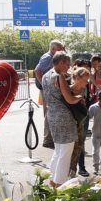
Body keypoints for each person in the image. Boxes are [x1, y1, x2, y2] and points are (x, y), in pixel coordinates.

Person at [42, 51, 81, 186]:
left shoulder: (45, 76)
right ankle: (59, 184)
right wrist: (80, 97)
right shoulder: (59, 77)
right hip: (64, 118)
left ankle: (52, 179)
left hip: (51, 116)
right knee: (65, 152)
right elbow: (69, 99)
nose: (68, 66)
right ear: (61, 62)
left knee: (58, 150)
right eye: (67, 64)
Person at [35, 39, 65, 148]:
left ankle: (51, 137)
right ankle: (48, 139)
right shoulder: (47, 57)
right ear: (53, 49)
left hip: (51, 89)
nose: (62, 52)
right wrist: (44, 85)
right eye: (60, 49)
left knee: (51, 112)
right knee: (49, 113)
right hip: (47, 89)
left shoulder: (53, 57)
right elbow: (37, 70)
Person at [69, 66, 91, 178]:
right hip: (71, 122)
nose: (87, 82)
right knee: (70, 148)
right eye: (85, 80)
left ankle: (79, 169)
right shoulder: (68, 89)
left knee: (80, 146)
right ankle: (70, 171)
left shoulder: (84, 89)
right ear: (78, 78)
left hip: (82, 120)